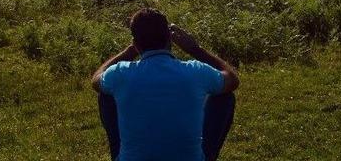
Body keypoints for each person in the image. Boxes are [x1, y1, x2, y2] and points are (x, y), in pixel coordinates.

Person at [91, 8, 240, 161]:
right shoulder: (195, 71)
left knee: (106, 94)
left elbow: (96, 79)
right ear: (170, 38)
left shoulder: (120, 74)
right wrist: (195, 50)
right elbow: (232, 79)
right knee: (225, 97)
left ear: (136, 44)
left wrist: (128, 52)